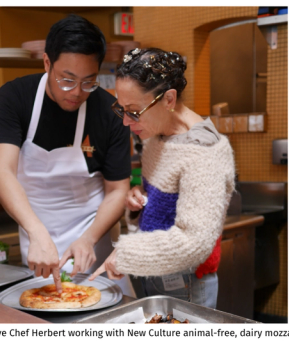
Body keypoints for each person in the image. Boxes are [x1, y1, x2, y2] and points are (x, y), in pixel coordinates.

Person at [0, 15, 134, 295]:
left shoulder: (109, 111)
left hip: (93, 247)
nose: (77, 93)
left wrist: (89, 239)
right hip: (37, 242)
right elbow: (2, 172)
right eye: (67, 80)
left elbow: (118, 190)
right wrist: (36, 230)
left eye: (88, 82)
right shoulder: (14, 97)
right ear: (47, 63)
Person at [89, 47, 236, 308]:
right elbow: (159, 199)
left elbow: (194, 243)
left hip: (187, 283)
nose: (126, 122)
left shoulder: (204, 151)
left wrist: (126, 254)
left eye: (133, 110)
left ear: (169, 99)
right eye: (121, 109)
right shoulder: (157, 136)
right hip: (153, 273)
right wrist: (139, 201)